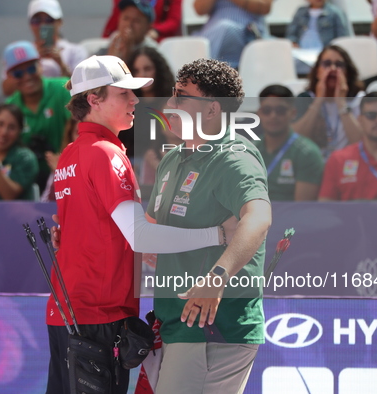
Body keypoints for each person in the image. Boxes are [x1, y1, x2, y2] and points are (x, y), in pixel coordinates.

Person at [47, 55, 238, 394]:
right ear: (94, 100)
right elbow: (139, 235)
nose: (136, 100)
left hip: (67, 311)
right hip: (98, 314)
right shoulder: (106, 153)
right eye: (124, 93)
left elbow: (92, 232)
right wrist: (219, 234)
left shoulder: (71, 154)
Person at [146, 58, 272, 393]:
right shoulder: (173, 158)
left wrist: (216, 277)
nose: (170, 104)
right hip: (177, 324)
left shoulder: (233, 157)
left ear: (213, 109)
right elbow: (151, 227)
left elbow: (258, 218)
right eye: (173, 94)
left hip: (214, 329)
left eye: (182, 96)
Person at [2, 40, 71, 193]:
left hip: (70, 173)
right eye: (18, 73)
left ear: (40, 65)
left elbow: (78, 126)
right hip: (27, 180)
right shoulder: (11, 106)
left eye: (31, 68)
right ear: (9, 76)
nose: (27, 77)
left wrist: (63, 159)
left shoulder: (63, 89)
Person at [292, 45, 365, 160]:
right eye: (327, 64)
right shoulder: (305, 98)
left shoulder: (359, 99)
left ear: (348, 73)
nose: (333, 69)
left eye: (339, 65)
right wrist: (318, 101)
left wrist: (341, 103)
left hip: (349, 166)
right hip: (315, 166)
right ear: (317, 71)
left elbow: (363, 145)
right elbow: (295, 141)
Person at [1, 0, 88, 97]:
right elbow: (7, 91)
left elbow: (83, 89)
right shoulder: (20, 52)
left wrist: (61, 65)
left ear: (59, 22)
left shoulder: (76, 51)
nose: (42, 25)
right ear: (30, 24)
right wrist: (31, 62)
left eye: (48, 20)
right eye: (36, 21)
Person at [254, 85, 324, 201]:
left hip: (289, 218)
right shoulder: (249, 150)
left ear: (293, 113)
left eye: (280, 110)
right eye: (267, 110)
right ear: (259, 114)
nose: (273, 116)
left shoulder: (308, 153)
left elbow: (301, 209)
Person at [128, 46, 177, 177]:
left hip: (166, 159)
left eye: (147, 69)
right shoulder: (127, 104)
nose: (142, 76)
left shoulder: (171, 103)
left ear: (158, 70)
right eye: (136, 71)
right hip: (132, 164)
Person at [193, 0, 272, 68]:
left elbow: (264, 7)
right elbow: (199, 10)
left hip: (247, 30)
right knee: (222, 30)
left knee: (227, 29)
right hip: (213, 30)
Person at [102, 0, 182, 42]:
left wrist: (156, 31)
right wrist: (107, 41)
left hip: (155, 40)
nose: (129, 22)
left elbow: (174, 21)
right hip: (123, 40)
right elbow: (116, 18)